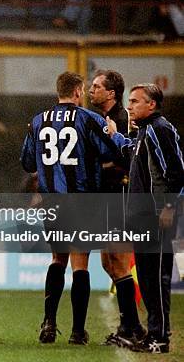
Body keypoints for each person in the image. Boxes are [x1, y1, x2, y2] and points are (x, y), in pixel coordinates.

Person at [20, 71, 123, 345]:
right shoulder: (89, 119)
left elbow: (27, 162)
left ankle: (49, 324)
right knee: (81, 265)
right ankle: (78, 331)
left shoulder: (38, 121)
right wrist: (111, 136)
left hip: (53, 201)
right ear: (77, 92)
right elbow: (112, 152)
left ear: (58, 91)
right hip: (83, 199)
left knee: (57, 260)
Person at [109, 83, 184, 353]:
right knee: (147, 276)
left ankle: (160, 338)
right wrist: (117, 136)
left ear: (151, 104)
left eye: (135, 101)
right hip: (142, 216)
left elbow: (175, 170)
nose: (129, 107)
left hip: (156, 216)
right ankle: (152, 333)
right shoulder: (143, 132)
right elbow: (131, 152)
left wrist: (168, 206)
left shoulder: (159, 129)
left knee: (158, 277)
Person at [89, 69, 145, 347]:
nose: (91, 89)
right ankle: (131, 324)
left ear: (111, 93)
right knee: (108, 262)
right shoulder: (97, 119)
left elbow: (132, 158)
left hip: (120, 196)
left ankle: (131, 328)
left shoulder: (124, 121)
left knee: (120, 261)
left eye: (97, 86)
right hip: (103, 197)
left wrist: (103, 165)